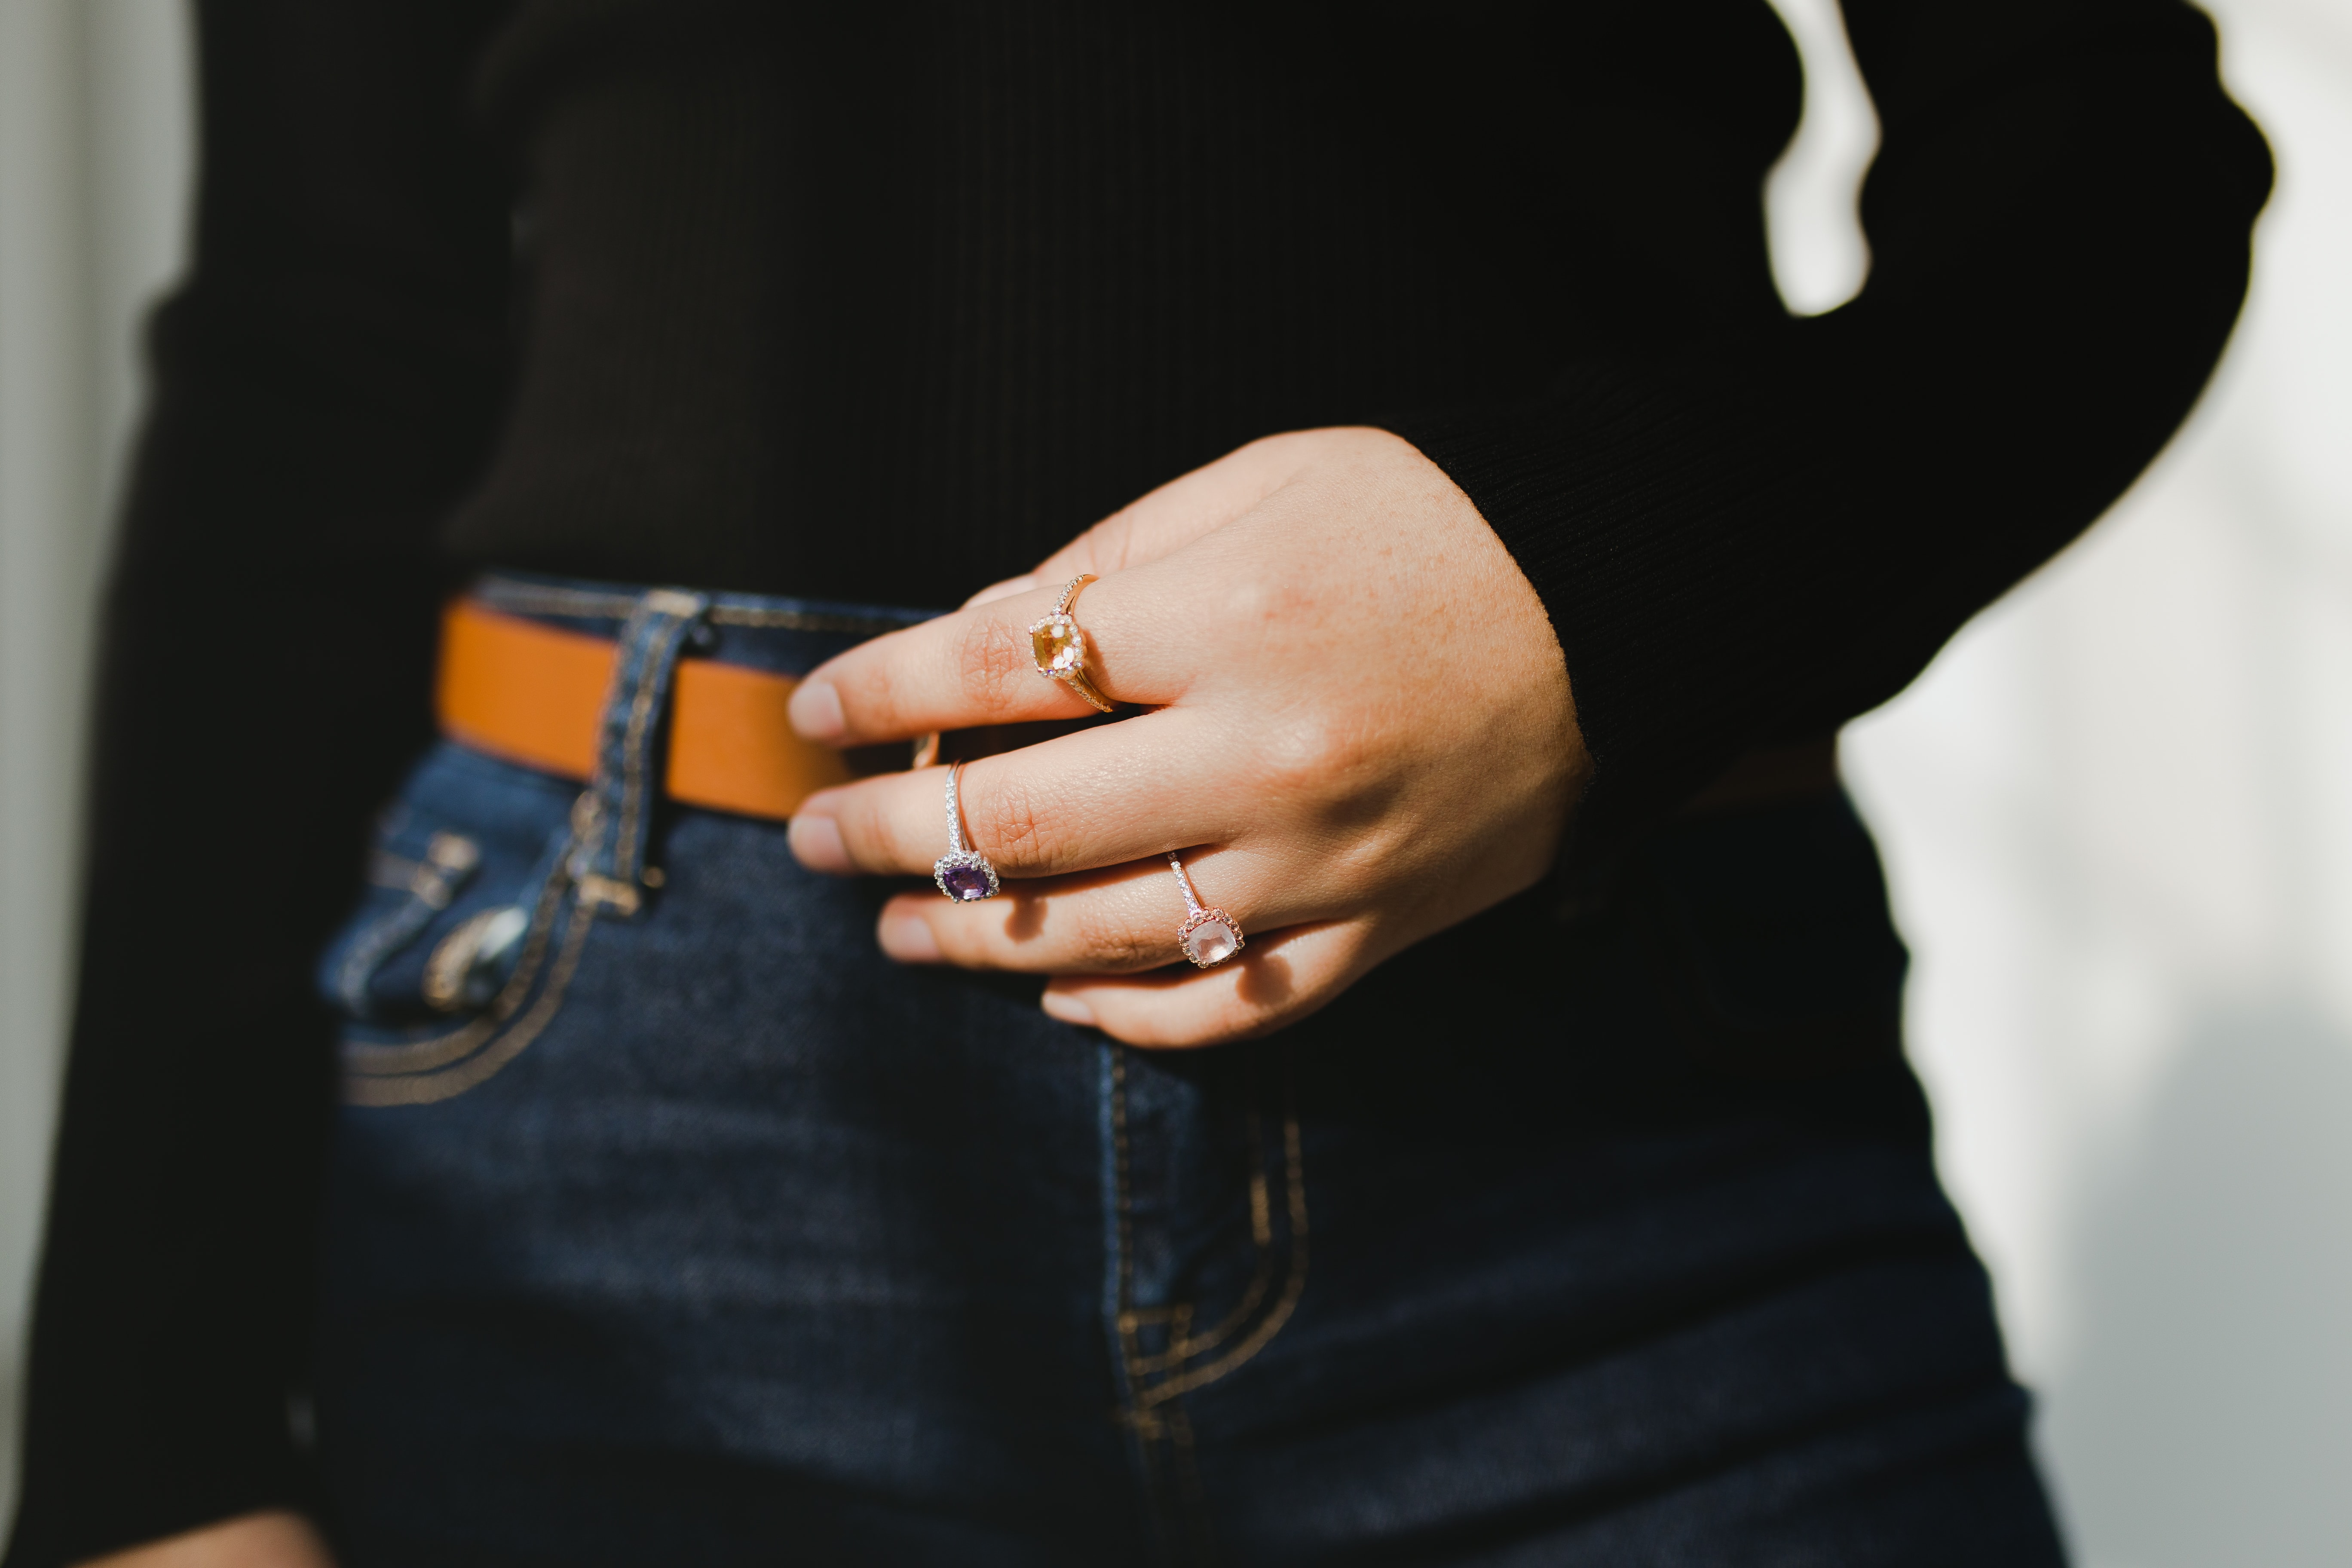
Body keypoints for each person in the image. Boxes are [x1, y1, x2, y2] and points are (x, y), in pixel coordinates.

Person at [5, 1, 2268, 1564]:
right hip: (620, 1131)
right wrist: (135, 1436)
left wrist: (1615, 591)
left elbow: (2104, 168)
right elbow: (316, 344)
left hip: (1626, 1147)